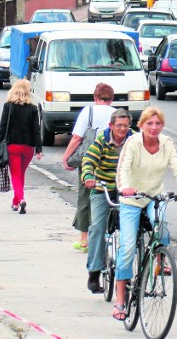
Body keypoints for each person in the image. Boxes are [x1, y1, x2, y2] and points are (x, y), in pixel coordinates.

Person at [112, 107, 177, 321]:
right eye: (150, 123)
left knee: (162, 227)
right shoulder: (133, 143)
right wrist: (125, 188)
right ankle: (120, 300)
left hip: (153, 196)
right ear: (141, 125)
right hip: (131, 198)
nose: (154, 127)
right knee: (128, 247)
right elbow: (123, 169)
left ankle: (160, 260)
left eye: (158, 124)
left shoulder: (167, 143)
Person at [82, 109, 135, 293]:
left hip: (126, 190)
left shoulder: (134, 140)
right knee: (97, 227)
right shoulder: (101, 141)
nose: (122, 129)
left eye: (126, 125)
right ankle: (94, 272)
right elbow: (88, 160)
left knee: (132, 230)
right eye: (119, 125)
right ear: (111, 126)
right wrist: (89, 175)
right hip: (102, 188)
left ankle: (127, 273)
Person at [62, 83, 116, 252]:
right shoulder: (117, 114)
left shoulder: (88, 111)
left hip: (90, 161)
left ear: (95, 97)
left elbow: (77, 138)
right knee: (108, 196)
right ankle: (106, 234)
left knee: (85, 196)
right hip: (109, 160)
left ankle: (84, 240)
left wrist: (66, 157)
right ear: (112, 99)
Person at [0, 79, 43, 214]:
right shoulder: (33, 109)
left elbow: (2, 127)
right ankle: (15, 202)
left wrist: (0, 147)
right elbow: (36, 130)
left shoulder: (8, 107)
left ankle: (21, 199)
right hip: (28, 148)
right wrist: (38, 149)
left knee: (16, 175)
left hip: (12, 147)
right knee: (20, 174)